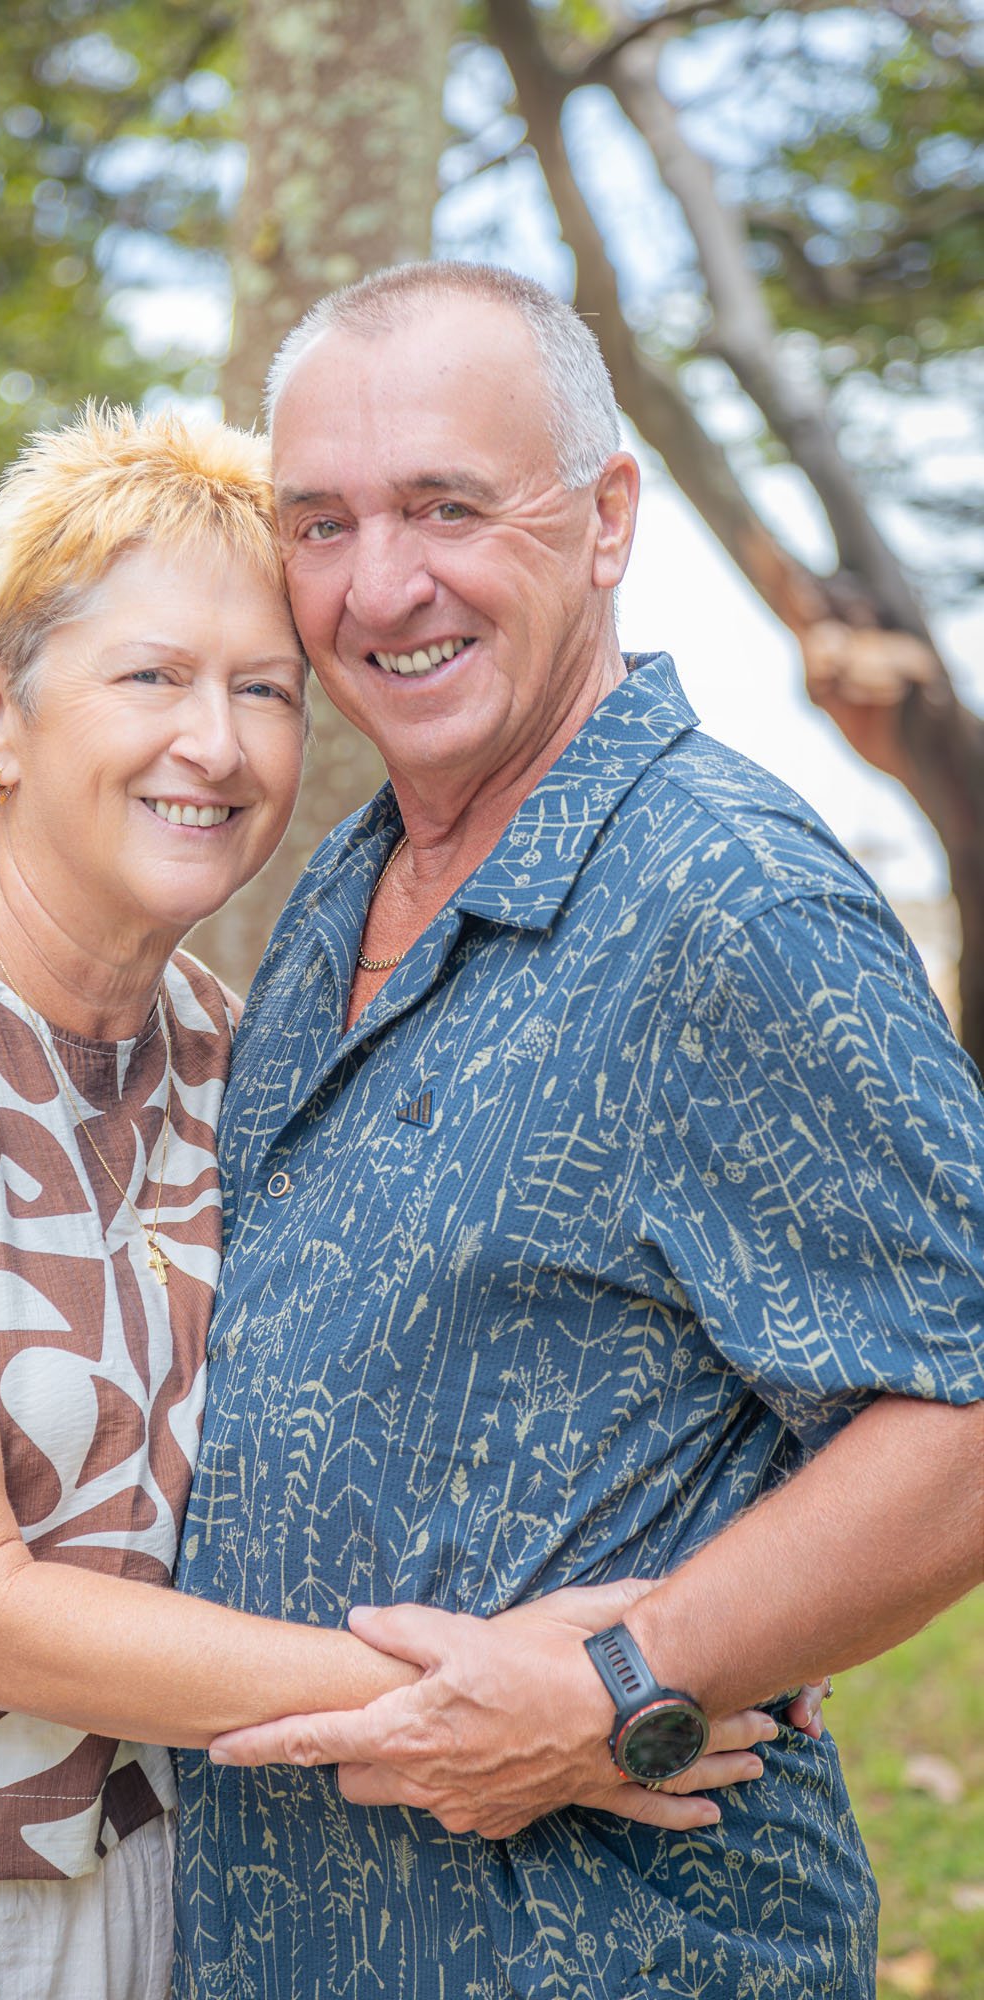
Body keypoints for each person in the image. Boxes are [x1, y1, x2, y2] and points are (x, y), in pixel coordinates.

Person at [0, 401, 774, 2000]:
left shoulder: (225, 1051)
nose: (219, 743)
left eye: (262, 691)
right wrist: (497, 1707)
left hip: (169, 1882)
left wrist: (674, 1616)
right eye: (150, 677)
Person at [172, 263, 984, 1999]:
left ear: (606, 519)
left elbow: (967, 1403)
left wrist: (627, 1674)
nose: (379, 586)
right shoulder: (340, 884)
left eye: (446, 508)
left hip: (606, 1953)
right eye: (319, 525)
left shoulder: (727, 894)